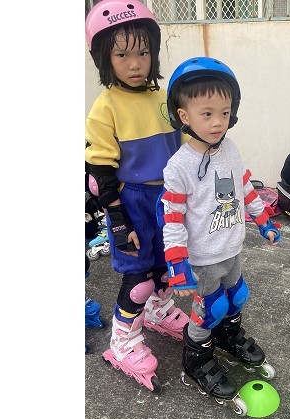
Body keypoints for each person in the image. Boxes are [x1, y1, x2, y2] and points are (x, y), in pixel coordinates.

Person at [157, 57, 281, 414]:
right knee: (211, 308)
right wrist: (177, 263)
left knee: (237, 296)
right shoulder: (179, 167)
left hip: (231, 247)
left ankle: (227, 337)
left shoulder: (230, 148)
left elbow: (243, 187)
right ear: (184, 116)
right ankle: (196, 358)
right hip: (204, 258)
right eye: (207, 114)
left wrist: (263, 220)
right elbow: (172, 218)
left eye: (225, 113)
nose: (218, 122)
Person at [84, 0, 189, 393]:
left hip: (168, 198)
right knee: (139, 276)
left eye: (143, 52)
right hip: (133, 203)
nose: (135, 63)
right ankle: (122, 341)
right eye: (122, 55)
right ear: (104, 58)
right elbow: (100, 169)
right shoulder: (105, 108)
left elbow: (183, 149)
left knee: (165, 266)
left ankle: (159, 312)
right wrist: (117, 218)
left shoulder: (164, 97)